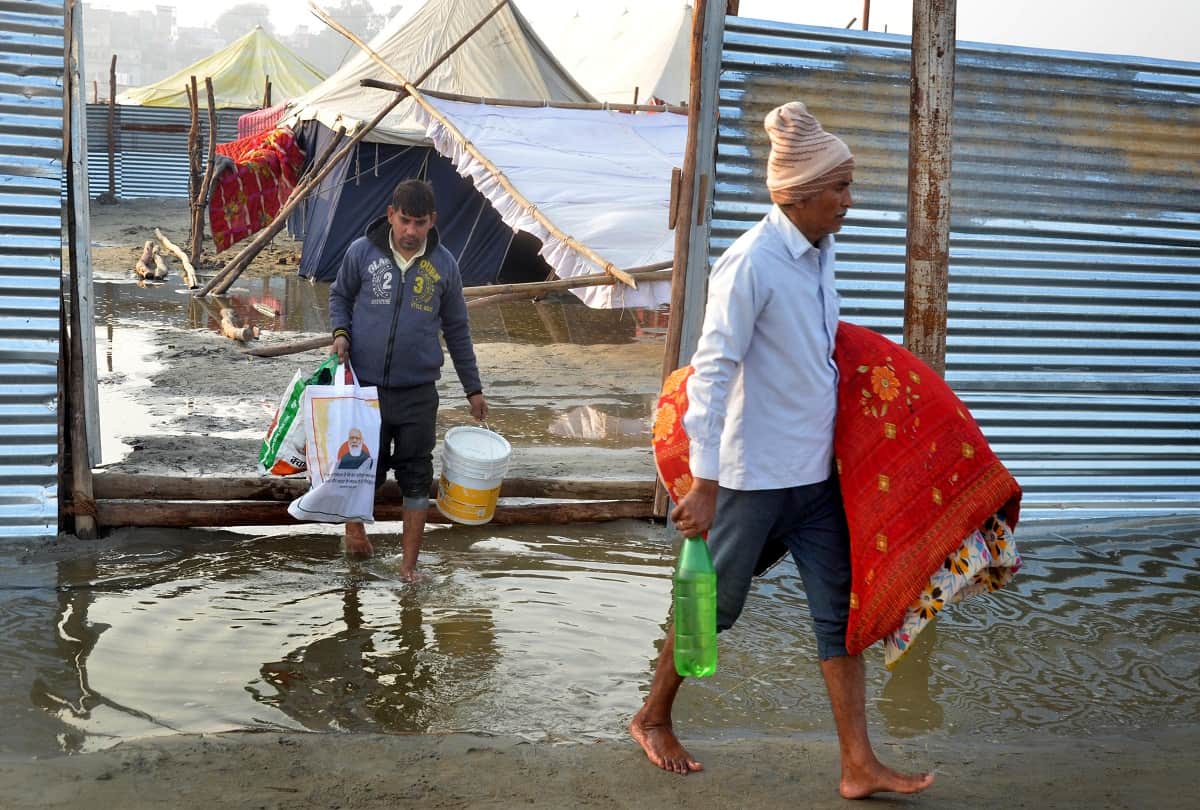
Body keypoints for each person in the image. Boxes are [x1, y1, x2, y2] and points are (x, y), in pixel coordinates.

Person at [629, 102, 934, 799]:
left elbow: (816, 361)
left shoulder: (821, 255)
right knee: (713, 608)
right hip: (750, 478)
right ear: (797, 195)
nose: (849, 202)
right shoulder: (751, 265)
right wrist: (704, 481)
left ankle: (858, 765)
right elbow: (713, 370)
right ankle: (651, 717)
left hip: (813, 479)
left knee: (841, 613)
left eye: (849, 187)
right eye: (840, 189)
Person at [329, 179, 488, 578]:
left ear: (432, 221)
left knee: (417, 476)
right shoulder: (361, 253)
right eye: (404, 221)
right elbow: (339, 296)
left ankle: (408, 567)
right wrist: (341, 333)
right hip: (366, 391)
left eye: (420, 223)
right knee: (363, 465)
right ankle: (354, 532)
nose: (411, 231)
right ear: (390, 216)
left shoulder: (444, 266)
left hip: (418, 393)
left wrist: (473, 388)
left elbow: (457, 329)